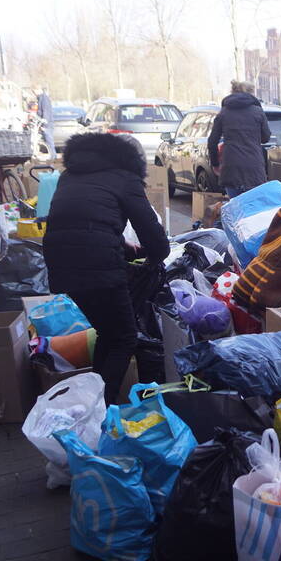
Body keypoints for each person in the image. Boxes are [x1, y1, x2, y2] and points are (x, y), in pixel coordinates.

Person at [43, 132, 169, 404]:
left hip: (60, 263)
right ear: (134, 161)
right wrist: (158, 255)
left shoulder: (71, 174)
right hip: (98, 266)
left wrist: (124, 247)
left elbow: (83, 219)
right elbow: (150, 231)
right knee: (124, 337)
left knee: (108, 333)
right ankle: (102, 409)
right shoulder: (126, 178)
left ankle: (94, 399)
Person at [208, 80, 271, 198]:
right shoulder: (258, 112)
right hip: (254, 168)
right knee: (253, 209)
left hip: (230, 168)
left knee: (235, 208)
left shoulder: (224, 113)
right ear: (251, 93)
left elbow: (212, 142)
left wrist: (215, 164)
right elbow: (266, 138)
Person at [37, 86, 57, 160]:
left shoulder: (44, 98)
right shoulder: (41, 98)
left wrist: (44, 123)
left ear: (38, 90)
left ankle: (53, 156)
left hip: (47, 124)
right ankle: (52, 156)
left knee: (49, 141)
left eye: (34, 91)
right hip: (46, 124)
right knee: (48, 141)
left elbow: (46, 111)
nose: (34, 94)